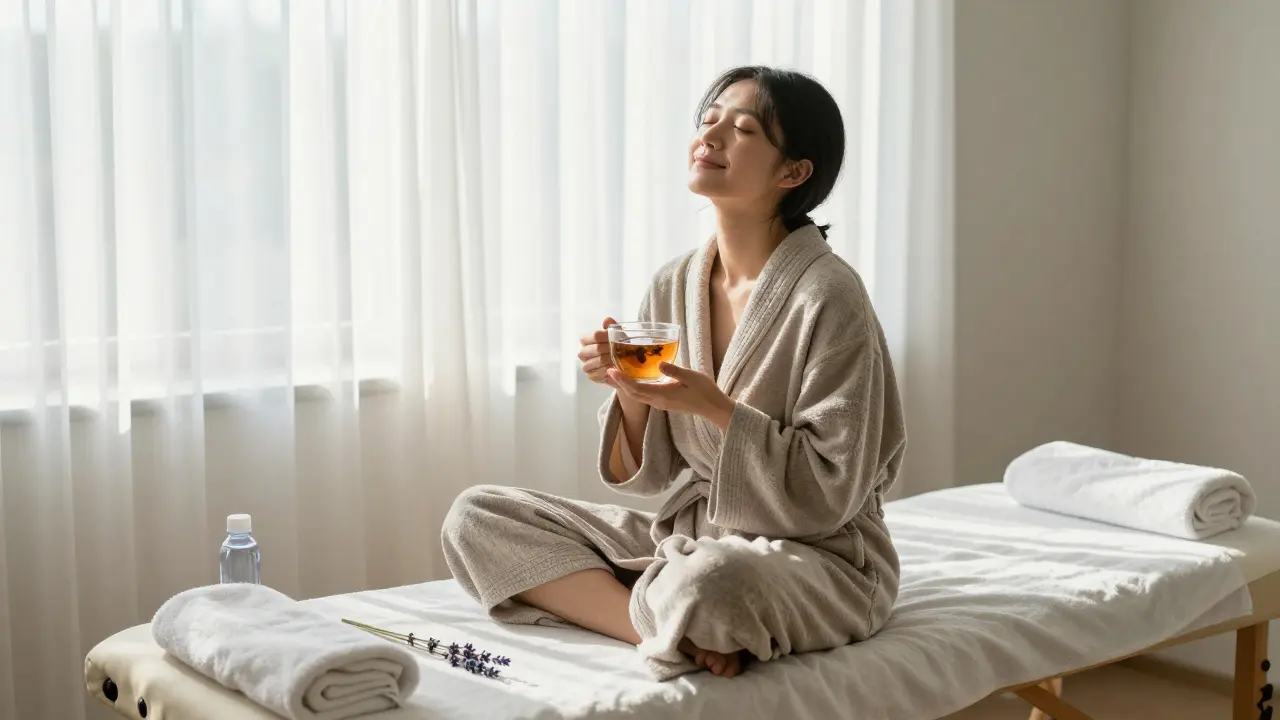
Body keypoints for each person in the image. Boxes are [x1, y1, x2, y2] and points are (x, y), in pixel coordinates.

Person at [442, 65, 906, 681]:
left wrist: (715, 407)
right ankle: (669, 628)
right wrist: (629, 392)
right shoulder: (674, 283)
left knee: (715, 579)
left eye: (742, 129)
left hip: (816, 558)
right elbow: (650, 476)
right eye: (708, 120)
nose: (710, 137)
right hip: (691, 535)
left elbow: (830, 493)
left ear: (793, 172)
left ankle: (678, 604)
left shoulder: (829, 295)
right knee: (476, 516)